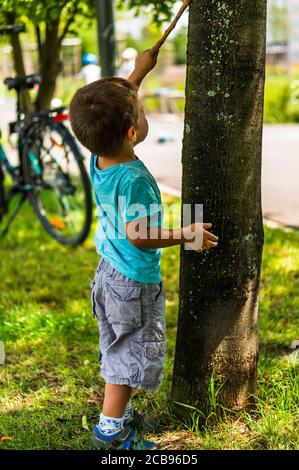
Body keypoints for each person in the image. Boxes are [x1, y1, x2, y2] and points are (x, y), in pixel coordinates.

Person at [69, 43, 219, 451]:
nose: (142, 112)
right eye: (141, 111)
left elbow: (112, 112)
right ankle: (111, 431)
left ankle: (115, 416)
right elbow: (139, 233)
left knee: (120, 347)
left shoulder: (99, 157)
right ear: (133, 132)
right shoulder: (134, 178)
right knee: (127, 356)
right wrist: (185, 235)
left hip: (108, 274)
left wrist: (138, 73)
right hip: (131, 282)